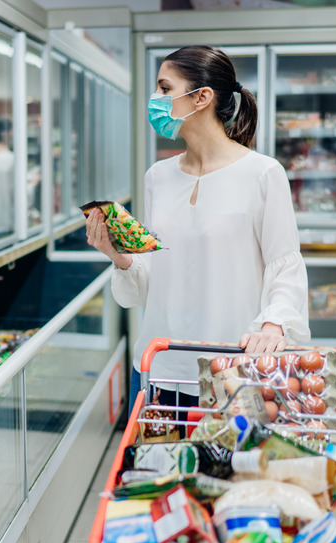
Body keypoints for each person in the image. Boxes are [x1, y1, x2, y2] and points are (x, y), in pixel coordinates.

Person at [85, 45, 310, 414]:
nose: (154, 99)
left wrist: (274, 324)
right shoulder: (158, 176)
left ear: (201, 97)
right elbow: (153, 278)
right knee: (157, 471)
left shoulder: (263, 174)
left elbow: (284, 265)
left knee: (226, 470)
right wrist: (117, 255)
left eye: (164, 88)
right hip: (159, 367)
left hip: (232, 371)